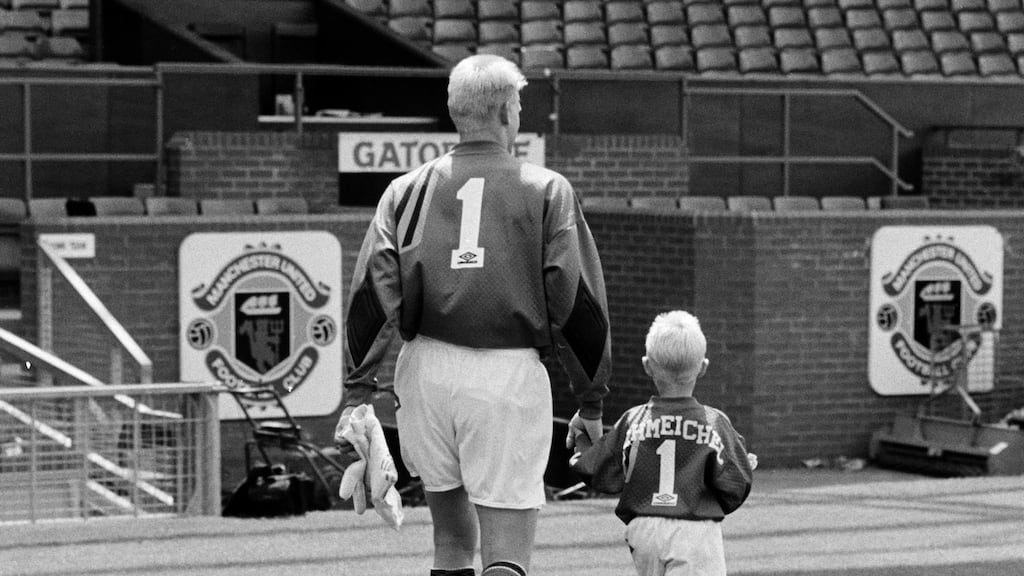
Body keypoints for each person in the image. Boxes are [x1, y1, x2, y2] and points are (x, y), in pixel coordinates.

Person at [337, 54, 612, 576]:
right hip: (504, 376)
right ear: (509, 111)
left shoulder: (403, 190)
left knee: (451, 545)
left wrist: (358, 393)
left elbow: (373, 294)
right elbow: (577, 303)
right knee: (506, 552)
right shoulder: (548, 188)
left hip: (425, 373)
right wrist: (591, 401)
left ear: (453, 110)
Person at [569, 310, 754, 576]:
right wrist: (744, 466)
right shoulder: (714, 423)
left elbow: (596, 469)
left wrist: (580, 440)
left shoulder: (633, 421)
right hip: (694, 529)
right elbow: (736, 485)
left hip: (643, 529)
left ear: (647, 366)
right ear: (702, 368)